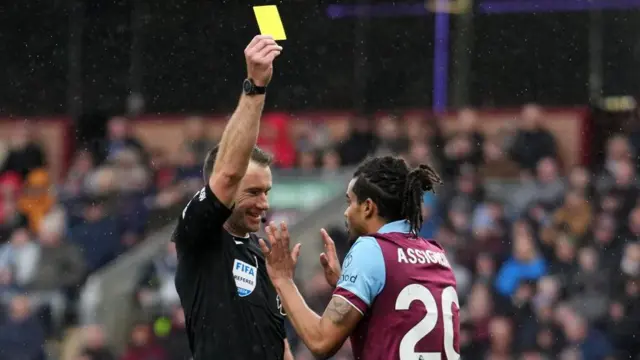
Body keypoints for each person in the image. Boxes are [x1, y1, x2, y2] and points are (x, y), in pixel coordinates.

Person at [259, 156, 461, 360]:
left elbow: (321, 342)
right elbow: (398, 318)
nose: (346, 213)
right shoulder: (437, 254)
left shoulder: (371, 249)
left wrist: (283, 279)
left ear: (368, 207)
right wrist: (346, 285)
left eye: (350, 201)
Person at [173, 35, 296, 360]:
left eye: (266, 192)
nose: (264, 203)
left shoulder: (262, 254)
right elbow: (227, 176)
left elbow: (279, 343)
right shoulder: (199, 235)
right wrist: (255, 87)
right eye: (253, 192)